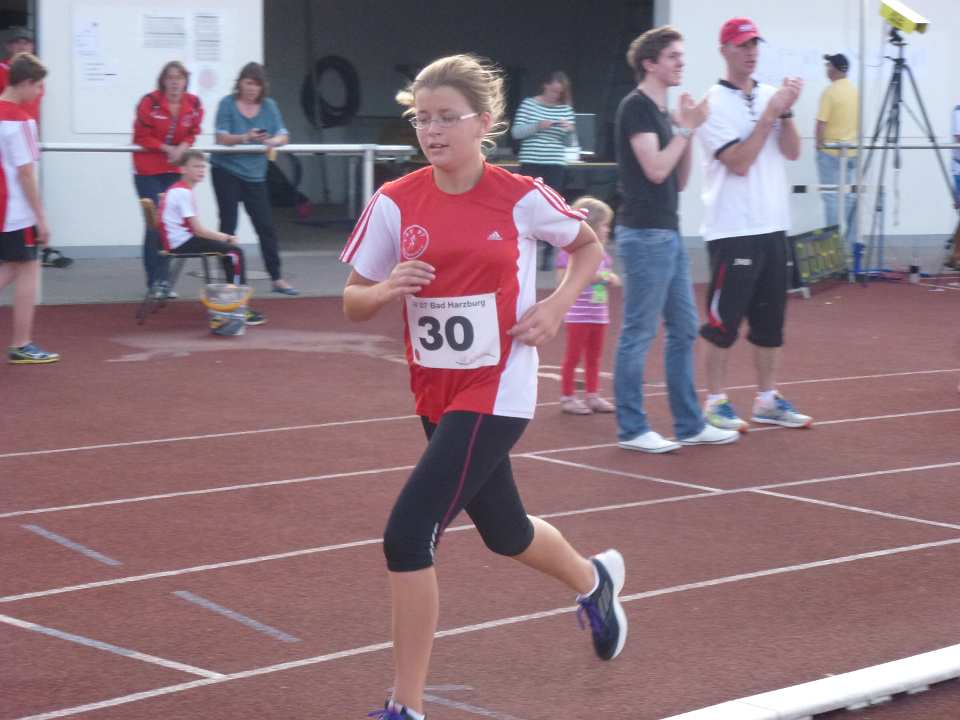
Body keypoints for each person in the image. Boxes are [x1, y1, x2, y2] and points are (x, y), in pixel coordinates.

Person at [340, 54, 627, 720]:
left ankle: (405, 707)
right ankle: (594, 581)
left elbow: (586, 246)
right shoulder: (395, 202)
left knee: (408, 535)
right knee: (505, 530)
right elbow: (353, 299)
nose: (432, 131)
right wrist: (386, 288)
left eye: (447, 118)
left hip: (499, 387)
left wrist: (555, 306)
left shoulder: (520, 195)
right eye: (422, 119)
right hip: (435, 389)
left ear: (483, 122)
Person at [612, 26, 740, 453]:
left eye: (681, 55)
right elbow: (654, 169)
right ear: (649, 63)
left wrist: (689, 131)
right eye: (672, 56)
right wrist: (684, 130)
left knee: (684, 329)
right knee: (639, 331)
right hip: (644, 233)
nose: (681, 62)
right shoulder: (636, 107)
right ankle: (632, 429)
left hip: (666, 231)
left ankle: (689, 424)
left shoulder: (664, 114)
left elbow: (679, 179)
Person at [697, 18, 812, 431]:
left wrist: (787, 111)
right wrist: (769, 115)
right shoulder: (711, 104)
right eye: (743, 45)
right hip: (733, 228)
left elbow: (793, 151)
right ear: (724, 50)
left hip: (773, 225)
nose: (751, 52)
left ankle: (767, 399)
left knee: (770, 323)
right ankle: (715, 401)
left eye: (754, 45)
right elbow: (739, 163)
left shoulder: (768, 95)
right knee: (723, 323)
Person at [212, 62, 297, 295]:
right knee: (228, 225)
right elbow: (221, 138)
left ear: (262, 87)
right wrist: (245, 137)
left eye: (256, 84)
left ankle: (277, 277)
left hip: (255, 175)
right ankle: (232, 281)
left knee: (265, 225)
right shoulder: (227, 103)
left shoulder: (269, 106)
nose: (251, 88)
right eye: (248, 83)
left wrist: (272, 141)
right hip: (226, 170)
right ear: (240, 83)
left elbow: (283, 134)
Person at [158, 150, 265, 326]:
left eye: (203, 167)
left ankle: (230, 302)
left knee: (230, 251)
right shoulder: (183, 192)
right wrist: (226, 237)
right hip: (181, 243)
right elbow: (199, 231)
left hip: (178, 241)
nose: (201, 170)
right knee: (234, 253)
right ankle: (239, 307)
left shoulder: (179, 189)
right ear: (183, 169)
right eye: (196, 166)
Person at [0, 53, 57, 364]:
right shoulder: (21, 121)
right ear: (24, 83)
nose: (38, 93)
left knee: (13, 267)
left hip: (4, 206)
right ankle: (21, 343)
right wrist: (41, 217)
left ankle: (22, 343)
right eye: (37, 87)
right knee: (28, 269)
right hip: (15, 210)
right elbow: (25, 174)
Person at [132, 61, 203, 296]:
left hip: (173, 170)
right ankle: (154, 281)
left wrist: (182, 146)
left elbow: (193, 132)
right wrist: (166, 148)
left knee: (171, 225)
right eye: (170, 77)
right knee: (154, 224)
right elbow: (141, 136)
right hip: (148, 170)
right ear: (163, 81)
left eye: (179, 78)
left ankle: (165, 280)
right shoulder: (149, 102)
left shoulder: (194, 104)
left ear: (185, 81)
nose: (174, 82)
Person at [556, 196, 620, 415]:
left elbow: (609, 275)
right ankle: (567, 397)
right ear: (590, 226)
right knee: (573, 357)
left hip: (599, 314)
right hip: (578, 315)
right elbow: (562, 279)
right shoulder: (569, 252)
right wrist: (595, 277)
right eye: (604, 225)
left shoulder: (603, 254)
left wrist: (610, 278)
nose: (608, 230)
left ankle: (593, 395)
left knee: (594, 357)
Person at [511, 70, 577, 270]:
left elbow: (569, 143)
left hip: (555, 163)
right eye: (554, 90)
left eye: (560, 92)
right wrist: (538, 126)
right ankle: (520, 247)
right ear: (545, 85)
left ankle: (548, 252)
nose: (556, 95)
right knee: (525, 205)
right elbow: (516, 132)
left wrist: (569, 131)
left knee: (552, 207)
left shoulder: (566, 109)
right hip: (531, 161)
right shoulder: (529, 104)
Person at [815, 53, 858, 231]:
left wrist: (819, 144)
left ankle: (833, 240)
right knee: (848, 196)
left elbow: (821, 123)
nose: (826, 68)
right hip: (851, 152)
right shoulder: (855, 91)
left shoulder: (830, 92)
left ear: (835, 69)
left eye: (828, 65)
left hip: (830, 153)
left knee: (831, 196)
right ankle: (849, 240)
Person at [0, 27, 41, 121]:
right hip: (6, 125)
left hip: (29, 125)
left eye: (26, 43)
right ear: (8, 46)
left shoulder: (37, 72)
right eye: (17, 42)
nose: (22, 47)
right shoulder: (1, 69)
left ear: (33, 47)